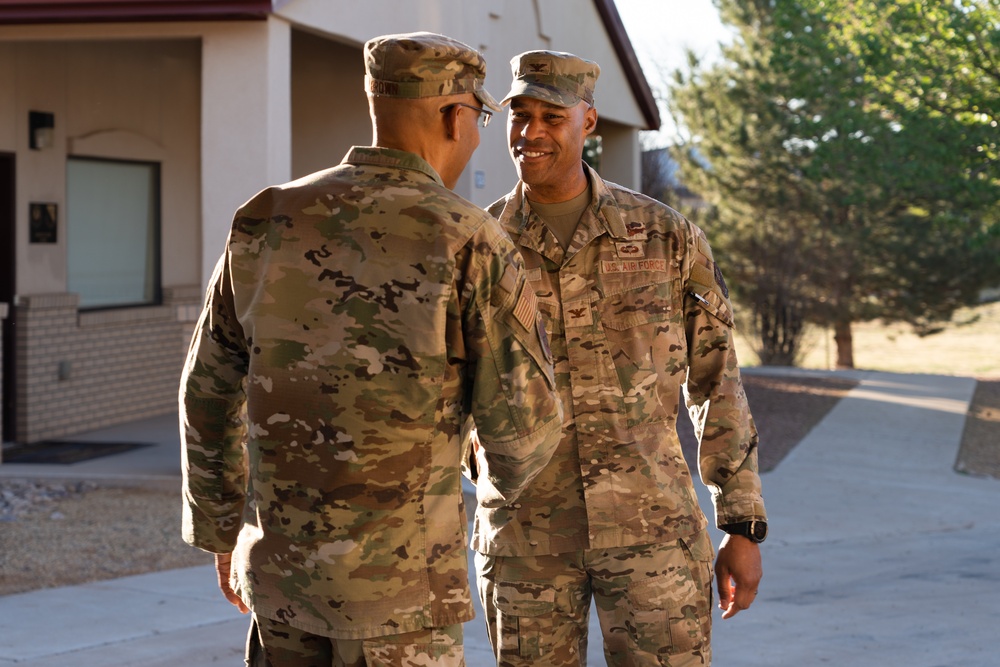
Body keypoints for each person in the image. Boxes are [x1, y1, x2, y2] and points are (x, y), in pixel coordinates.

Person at [179, 32, 563, 667]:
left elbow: (209, 389)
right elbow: (522, 435)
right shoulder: (469, 239)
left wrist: (224, 530)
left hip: (282, 586)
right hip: (403, 602)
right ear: (454, 114)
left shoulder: (266, 219)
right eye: (481, 117)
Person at [469, 50, 768, 666]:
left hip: (652, 534)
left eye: (551, 116)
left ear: (589, 122)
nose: (529, 132)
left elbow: (716, 382)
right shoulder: (477, 246)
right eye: (518, 114)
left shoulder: (665, 236)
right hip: (525, 543)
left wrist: (740, 523)